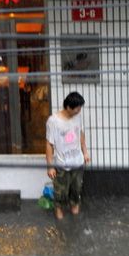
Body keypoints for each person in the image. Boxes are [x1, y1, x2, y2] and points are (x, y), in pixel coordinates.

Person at [46, 91, 91, 220]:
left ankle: (75, 213)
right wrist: (50, 166)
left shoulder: (77, 117)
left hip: (78, 162)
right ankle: (59, 216)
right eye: (77, 108)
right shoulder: (53, 121)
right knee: (61, 193)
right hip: (61, 164)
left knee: (76, 191)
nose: (79, 111)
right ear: (68, 107)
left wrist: (85, 152)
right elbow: (49, 144)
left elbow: (81, 134)